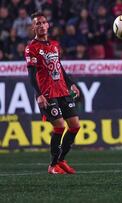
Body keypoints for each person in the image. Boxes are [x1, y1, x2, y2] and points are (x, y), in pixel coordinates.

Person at [25, 11, 81, 175]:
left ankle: (61, 160)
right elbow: (31, 74)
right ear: (33, 27)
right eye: (38, 23)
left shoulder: (55, 44)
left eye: (43, 22)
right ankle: (52, 165)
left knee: (75, 126)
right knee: (60, 126)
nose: (41, 25)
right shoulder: (31, 48)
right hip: (47, 93)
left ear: (48, 25)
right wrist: (39, 94)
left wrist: (71, 84)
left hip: (63, 90)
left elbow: (59, 67)